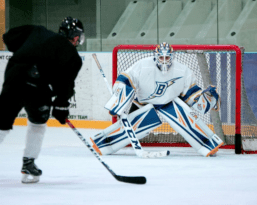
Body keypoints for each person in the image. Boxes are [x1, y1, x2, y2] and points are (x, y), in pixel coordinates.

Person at [91, 42, 223, 157]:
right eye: (161, 57)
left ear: (172, 57)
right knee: (131, 125)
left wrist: (205, 99)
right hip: (144, 101)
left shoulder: (182, 70)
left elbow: (190, 94)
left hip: (168, 102)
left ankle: (207, 143)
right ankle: (104, 143)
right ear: (155, 56)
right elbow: (126, 78)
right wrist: (118, 100)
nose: (164, 60)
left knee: (186, 118)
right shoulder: (143, 65)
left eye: (167, 57)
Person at [0, 16, 84, 183]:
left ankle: (28, 165)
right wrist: (61, 106)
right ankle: (28, 165)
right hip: (38, 88)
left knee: (1, 122)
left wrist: (27, 51)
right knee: (37, 124)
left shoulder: (38, 31)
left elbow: (8, 37)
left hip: (14, 78)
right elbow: (65, 86)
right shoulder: (73, 56)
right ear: (76, 37)